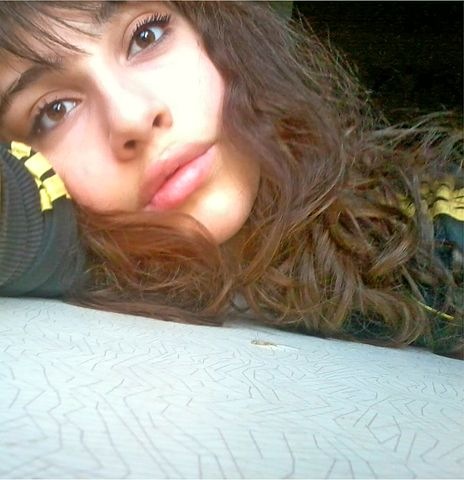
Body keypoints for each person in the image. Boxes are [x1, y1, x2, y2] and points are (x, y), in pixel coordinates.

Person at [0, 1, 462, 358]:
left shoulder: (438, 223)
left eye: (146, 36)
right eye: (54, 111)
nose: (132, 116)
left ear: (218, 39)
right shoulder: (57, 266)